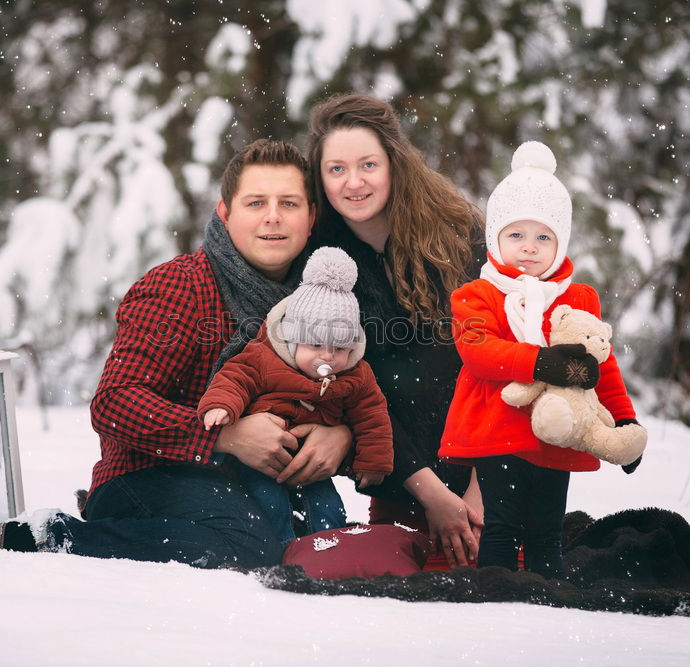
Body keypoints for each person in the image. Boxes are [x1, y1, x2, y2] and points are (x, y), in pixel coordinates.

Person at [0, 139, 353, 567]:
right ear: (225, 212)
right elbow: (115, 403)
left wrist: (342, 437)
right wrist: (224, 436)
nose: (273, 216)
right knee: (253, 549)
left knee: (323, 549)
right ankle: (56, 536)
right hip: (147, 478)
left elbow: (355, 392)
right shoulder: (180, 287)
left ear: (312, 217)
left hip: (258, 488)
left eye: (289, 203)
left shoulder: (323, 301)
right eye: (256, 202)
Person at [439, 140, 642, 578]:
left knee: (547, 529)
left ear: (561, 240)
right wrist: (540, 363)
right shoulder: (477, 296)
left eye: (542, 237)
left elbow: (600, 365)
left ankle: (550, 602)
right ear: (495, 237)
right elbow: (478, 353)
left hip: (561, 430)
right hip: (496, 426)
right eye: (516, 235)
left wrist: (623, 420)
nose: (529, 248)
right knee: (502, 526)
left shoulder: (578, 298)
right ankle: (494, 594)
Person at [305, 93, 486, 568]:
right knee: (404, 597)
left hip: (494, 474)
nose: (354, 182)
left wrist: (479, 489)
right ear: (320, 179)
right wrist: (430, 494)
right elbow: (355, 391)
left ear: (394, 163)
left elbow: (506, 364)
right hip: (404, 480)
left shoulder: (459, 234)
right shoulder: (323, 261)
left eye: (368, 164)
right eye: (336, 169)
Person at [198, 246, 393, 544]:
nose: (327, 356)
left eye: (339, 348)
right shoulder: (264, 357)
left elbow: (372, 415)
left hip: (312, 464)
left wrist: (373, 460)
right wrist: (221, 406)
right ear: (293, 339)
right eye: (315, 345)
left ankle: (326, 550)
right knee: (269, 504)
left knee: (327, 507)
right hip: (260, 460)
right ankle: (281, 551)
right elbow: (235, 377)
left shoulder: (356, 375)